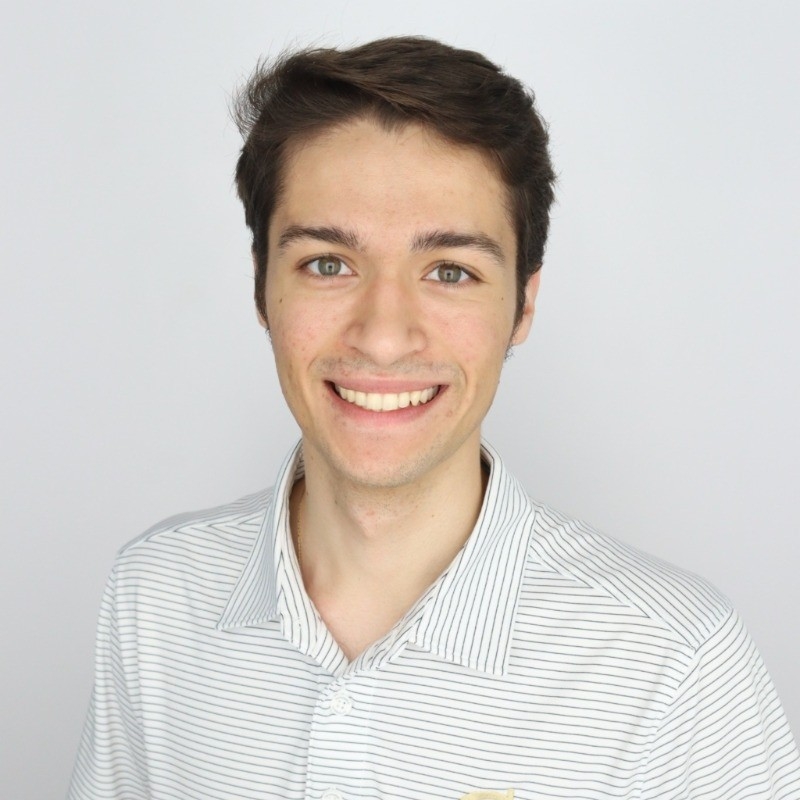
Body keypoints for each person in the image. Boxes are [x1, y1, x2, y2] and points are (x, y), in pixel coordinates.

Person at [68, 36, 800, 800]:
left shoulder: (675, 660)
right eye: (328, 263)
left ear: (523, 305)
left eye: (451, 271)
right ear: (262, 291)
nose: (384, 334)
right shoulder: (154, 597)